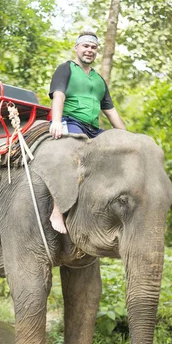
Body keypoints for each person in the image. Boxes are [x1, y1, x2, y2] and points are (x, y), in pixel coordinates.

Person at [48, 30, 126, 234]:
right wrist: (56, 121)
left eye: (93, 47)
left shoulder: (99, 80)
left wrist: (127, 137)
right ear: (76, 48)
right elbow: (58, 96)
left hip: (93, 128)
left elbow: (111, 112)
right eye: (85, 46)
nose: (89, 50)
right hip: (71, 121)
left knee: (118, 154)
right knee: (71, 155)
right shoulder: (66, 69)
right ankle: (57, 211)